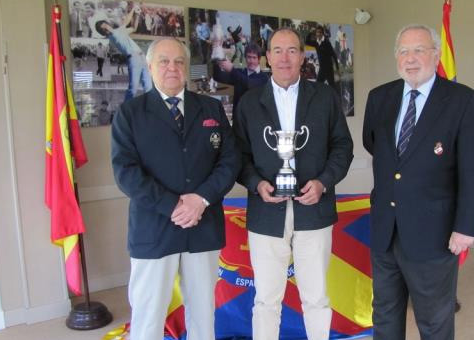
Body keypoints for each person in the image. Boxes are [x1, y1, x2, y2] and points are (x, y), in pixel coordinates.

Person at [362, 24, 474, 340]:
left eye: (419, 49)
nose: (411, 58)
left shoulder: (463, 101)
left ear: (435, 54)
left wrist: (466, 226)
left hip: (435, 232)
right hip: (385, 230)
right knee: (385, 317)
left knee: (434, 321)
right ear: (396, 58)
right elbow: (375, 145)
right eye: (404, 51)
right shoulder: (379, 98)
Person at [111, 38, 240, 340]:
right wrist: (174, 206)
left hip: (203, 225)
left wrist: (201, 200)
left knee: (202, 313)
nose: (172, 68)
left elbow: (230, 160)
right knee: (148, 314)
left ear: (187, 67)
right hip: (153, 228)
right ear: (150, 66)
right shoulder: (131, 113)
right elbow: (126, 172)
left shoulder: (211, 108)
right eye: (164, 61)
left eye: (179, 61)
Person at [232, 28, 353, 340]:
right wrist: (256, 183)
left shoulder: (325, 96)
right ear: (267, 57)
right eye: (277, 50)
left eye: (292, 50)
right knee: (266, 299)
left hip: (314, 210)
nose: (284, 57)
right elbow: (237, 156)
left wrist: (324, 183)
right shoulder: (248, 102)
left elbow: (343, 147)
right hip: (266, 212)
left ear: (302, 56)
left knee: (316, 297)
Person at [95, 15, 152, 100]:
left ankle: (150, 108)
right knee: (133, 89)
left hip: (142, 57)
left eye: (106, 25)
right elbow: (126, 21)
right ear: (104, 31)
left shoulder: (119, 32)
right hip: (134, 59)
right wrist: (133, 10)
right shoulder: (114, 35)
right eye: (105, 27)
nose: (107, 27)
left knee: (148, 87)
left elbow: (134, 28)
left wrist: (137, 15)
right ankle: (125, 109)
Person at [212, 43, 269, 110]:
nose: (251, 61)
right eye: (249, 57)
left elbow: (249, 84)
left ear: (259, 59)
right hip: (238, 117)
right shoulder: (239, 73)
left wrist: (231, 69)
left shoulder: (264, 77)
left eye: (254, 57)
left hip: (254, 118)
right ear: (245, 58)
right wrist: (216, 59)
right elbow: (218, 77)